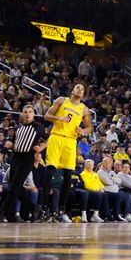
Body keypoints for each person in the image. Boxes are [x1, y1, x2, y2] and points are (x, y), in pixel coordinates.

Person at [42, 82, 93, 222]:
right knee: (50, 172)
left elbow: (89, 128)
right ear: (72, 90)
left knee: (68, 176)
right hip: (56, 137)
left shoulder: (84, 109)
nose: (80, 89)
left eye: (82, 89)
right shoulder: (61, 101)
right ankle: (43, 209)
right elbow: (46, 116)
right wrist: (59, 118)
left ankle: (61, 210)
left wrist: (82, 131)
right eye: (78, 87)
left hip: (71, 141)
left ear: (83, 94)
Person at [0, 104, 48, 222]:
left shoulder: (38, 127)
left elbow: (49, 138)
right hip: (15, 157)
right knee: (15, 186)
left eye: (30, 112)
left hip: (27, 158)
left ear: (33, 114)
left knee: (15, 186)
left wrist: (41, 147)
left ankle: (2, 211)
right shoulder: (18, 128)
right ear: (22, 114)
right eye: (25, 112)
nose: (27, 114)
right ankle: (34, 208)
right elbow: (12, 143)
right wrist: (9, 144)